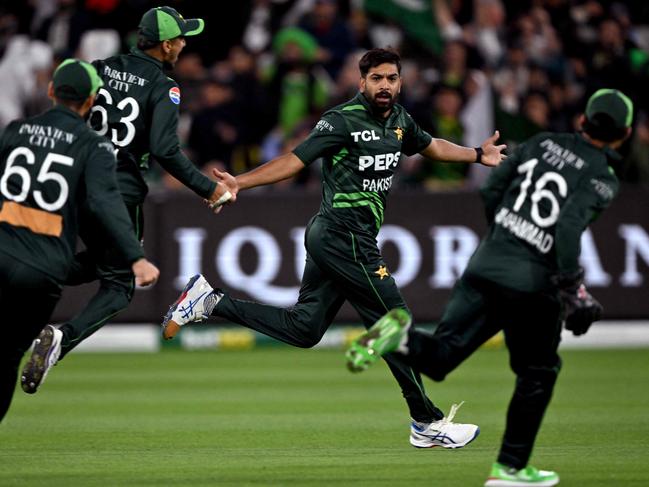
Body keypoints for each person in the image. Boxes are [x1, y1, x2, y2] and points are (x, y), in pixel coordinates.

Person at [163, 48, 506, 448]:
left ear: (400, 82)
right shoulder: (340, 119)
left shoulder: (400, 121)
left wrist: (477, 155)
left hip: (342, 238)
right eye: (376, 78)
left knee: (305, 329)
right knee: (394, 322)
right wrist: (239, 181)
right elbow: (294, 159)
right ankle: (425, 421)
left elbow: (430, 146)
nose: (384, 85)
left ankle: (209, 302)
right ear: (362, 82)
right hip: (343, 236)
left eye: (391, 78)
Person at [345, 88, 633, 486]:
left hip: (486, 262)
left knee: (442, 355)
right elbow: (566, 227)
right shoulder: (602, 175)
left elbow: (491, 190)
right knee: (538, 371)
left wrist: (503, 239)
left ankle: (401, 336)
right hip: (533, 282)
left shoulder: (542, 141)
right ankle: (509, 469)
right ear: (625, 133)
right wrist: (572, 287)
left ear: (582, 120)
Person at [21, 6, 230, 394]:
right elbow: (166, 151)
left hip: (73, 181)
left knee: (96, 262)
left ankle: (26, 270)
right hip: (118, 188)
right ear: (166, 45)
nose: (184, 45)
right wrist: (209, 188)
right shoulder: (163, 86)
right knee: (121, 284)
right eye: (181, 38)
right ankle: (60, 340)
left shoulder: (99, 66)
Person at [0, 59, 160, 422]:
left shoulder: (14, 130)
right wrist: (136, 257)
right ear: (91, 102)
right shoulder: (95, 148)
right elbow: (106, 201)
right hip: (41, 274)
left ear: (51, 91)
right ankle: (59, 338)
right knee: (8, 358)